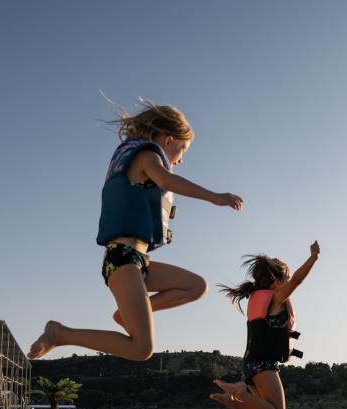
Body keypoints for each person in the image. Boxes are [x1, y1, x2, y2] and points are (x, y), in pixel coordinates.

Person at [28, 100, 243, 361]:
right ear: (169, 139)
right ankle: (62, 333)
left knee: (196, 286)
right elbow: (165, 180)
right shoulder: (147, 156)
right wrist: (214, 197)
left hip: (139, 261)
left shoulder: (145, 156)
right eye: (183, 149)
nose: (182, 159)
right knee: (141, 349)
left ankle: (128, 314)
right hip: (121, 258)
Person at [210, 241, 320, 409]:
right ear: (277, 282)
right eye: (286, 281)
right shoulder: (276, 299)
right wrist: (313, 258)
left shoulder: (258, 300)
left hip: (251, 365)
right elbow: (297, 281)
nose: (288, 286)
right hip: (263, 365)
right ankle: (240, 391)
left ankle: (234, 402)